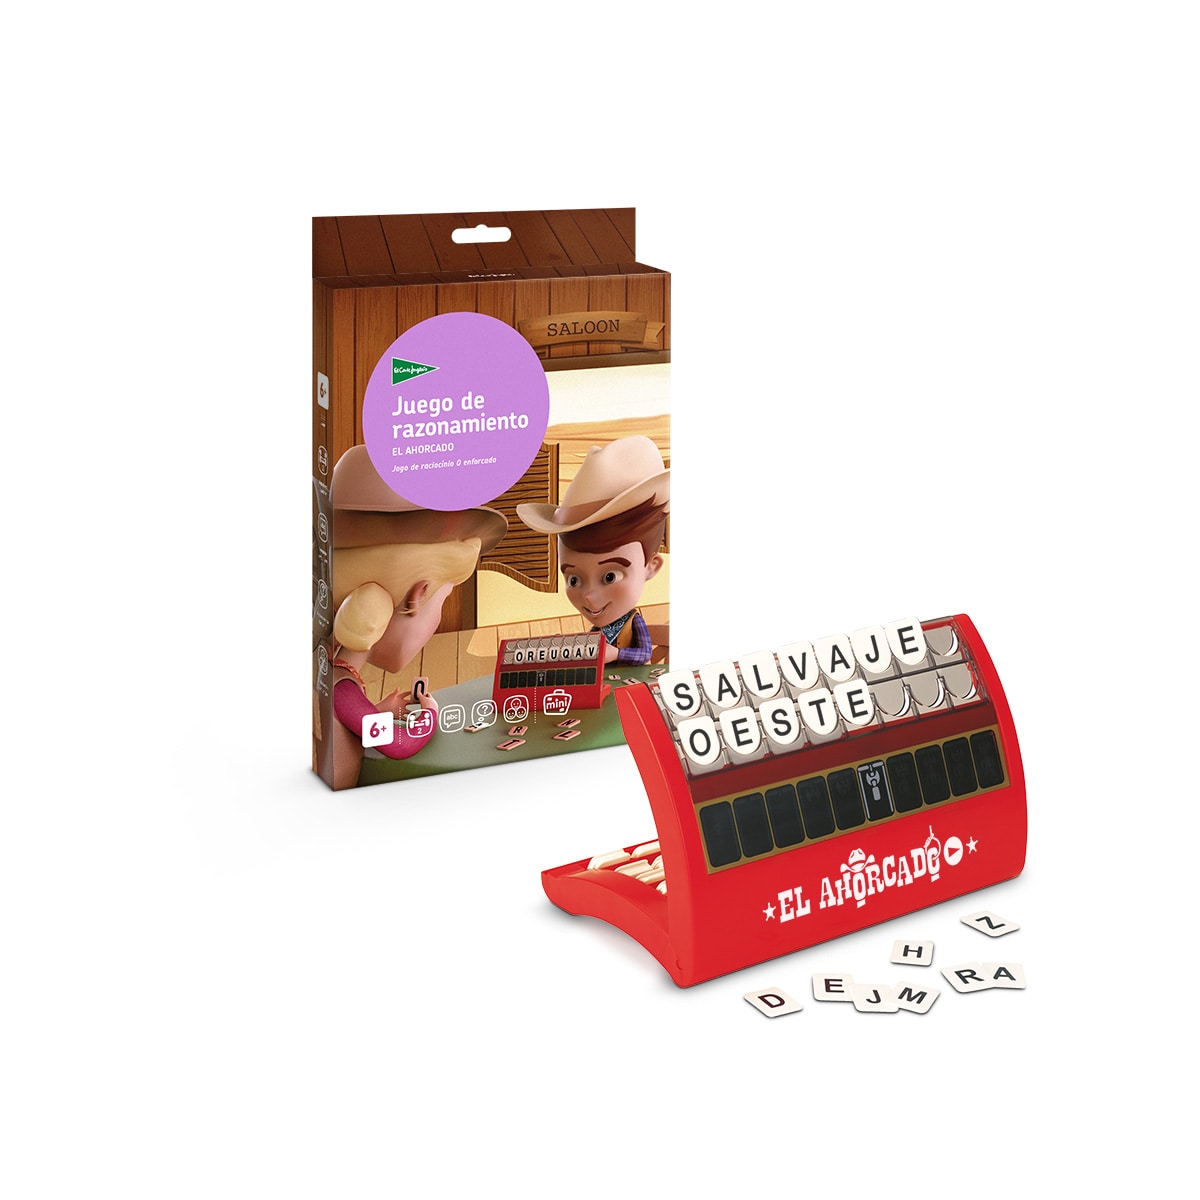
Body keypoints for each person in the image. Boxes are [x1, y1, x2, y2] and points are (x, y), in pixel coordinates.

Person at [318, 446, 507, 788]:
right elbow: (400, 745)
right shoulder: (341, 688)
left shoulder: (327, 671)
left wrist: (376, 711)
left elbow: (347, 722)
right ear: (417, 596)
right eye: (442, 601)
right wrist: (430, 714)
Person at [517, 435, 669, 666]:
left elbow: (644, 654)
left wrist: (616, 654)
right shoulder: (600, 628)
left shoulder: (633, 622)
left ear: (652, 566)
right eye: (574, 580)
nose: (588, 596)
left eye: (610, 577)